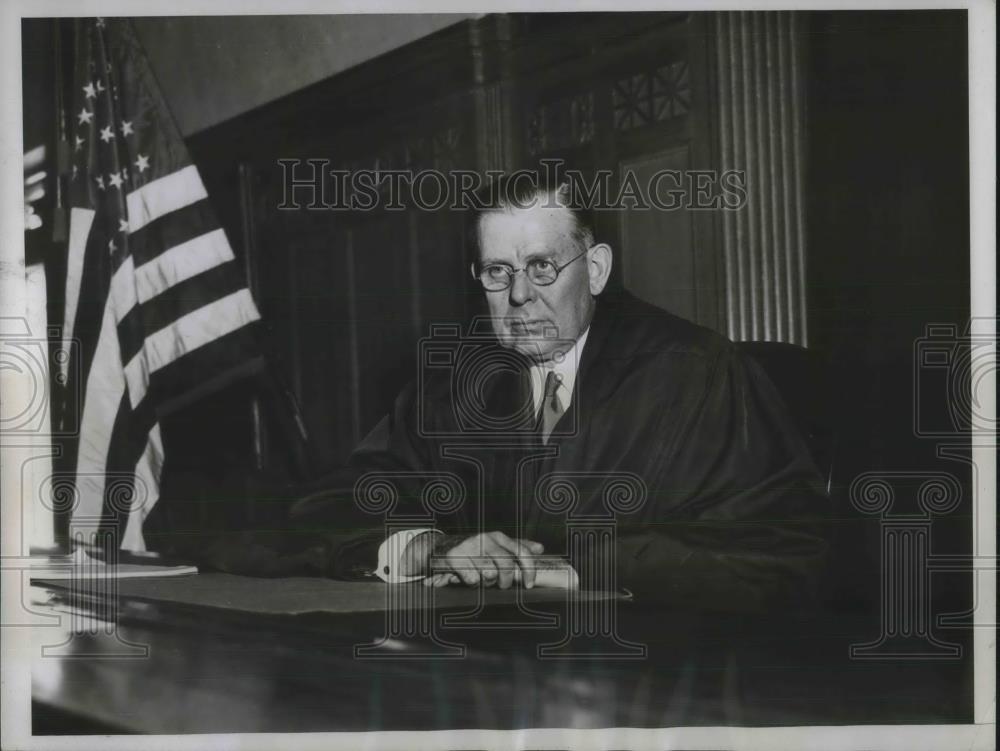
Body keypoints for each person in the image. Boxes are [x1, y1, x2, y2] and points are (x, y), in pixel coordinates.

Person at [190, 168, 830, 611]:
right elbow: (326, 510)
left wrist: (586, 566)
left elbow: (791, 559)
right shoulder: (456, 383)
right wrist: (432, 547)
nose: (519, 295)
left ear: (597, 269)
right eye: (497, 271)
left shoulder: (697, 373)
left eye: (542, 266)